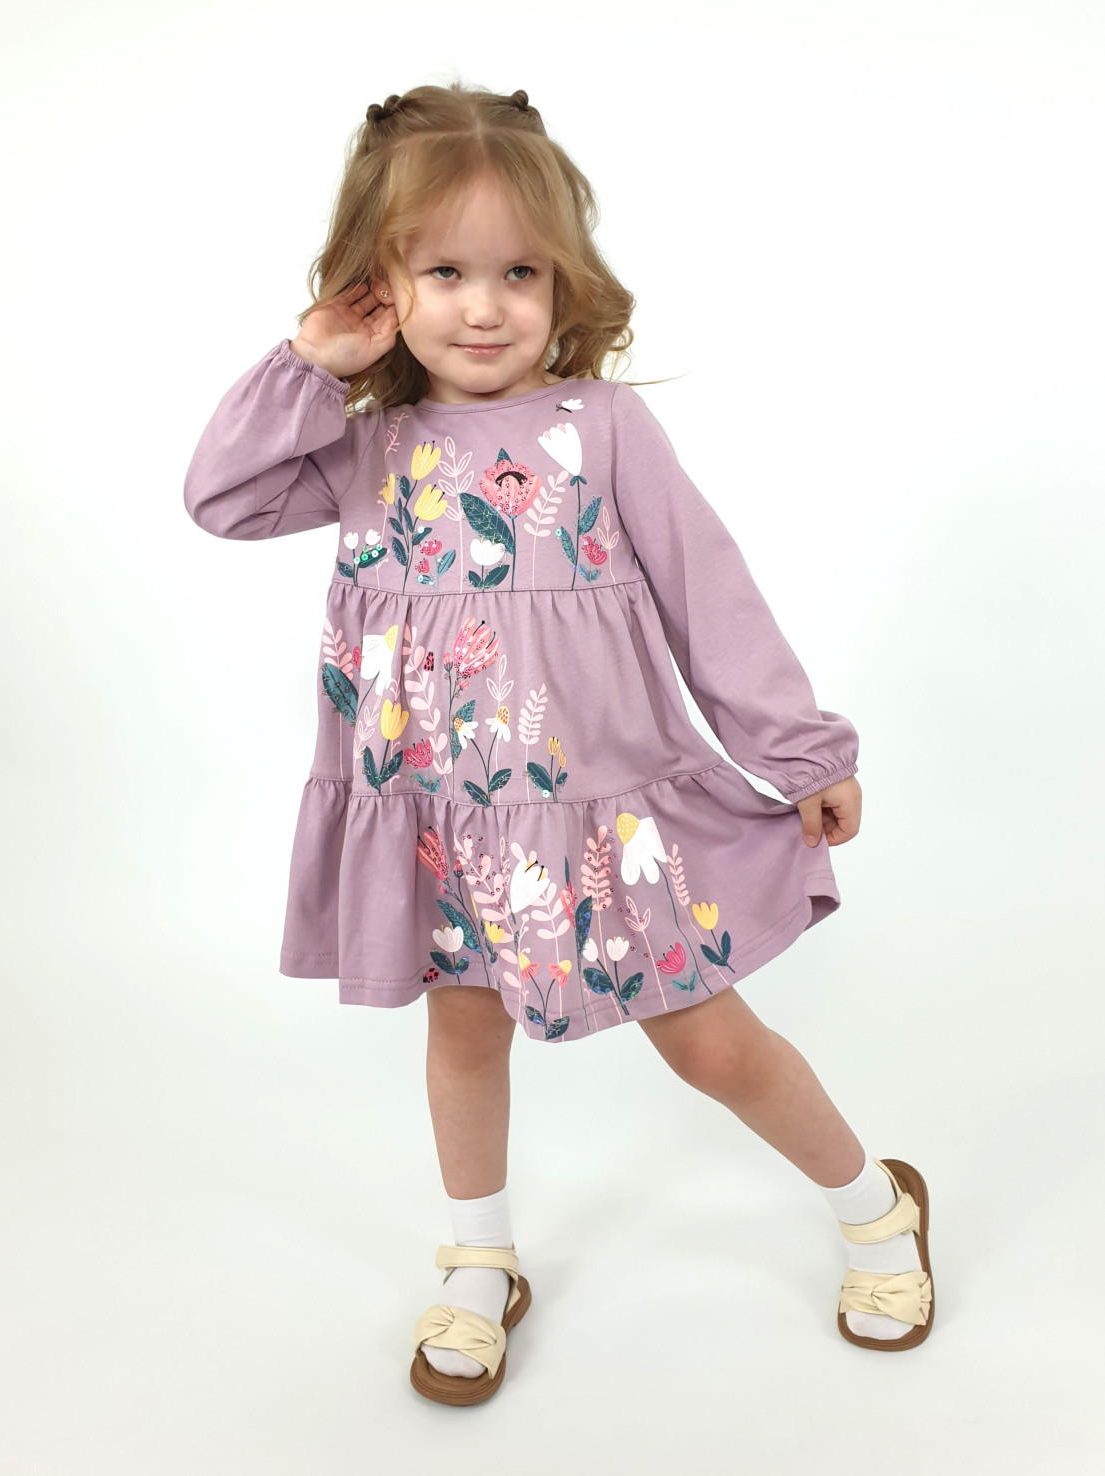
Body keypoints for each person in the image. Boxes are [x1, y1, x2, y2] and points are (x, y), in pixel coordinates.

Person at [183, 82, 934, 1406]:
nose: (484, 307)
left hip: (598, 822)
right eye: (444, 272)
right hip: (436, 814)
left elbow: (710, 594)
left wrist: (802, 751)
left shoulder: (600, 429)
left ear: (562, 280)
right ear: (378, 284)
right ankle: (479, 1258)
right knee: (465, 1030)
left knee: (706, 1042)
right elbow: (222, 501)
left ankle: (875, 1207)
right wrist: (310, 361)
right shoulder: (364, 447)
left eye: (518, 272)